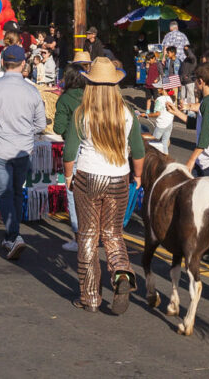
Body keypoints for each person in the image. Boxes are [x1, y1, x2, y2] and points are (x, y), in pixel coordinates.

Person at [62, 56, 145, 314]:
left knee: (88, 236)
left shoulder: (82, 112)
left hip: (88, 176)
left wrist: (68, 176)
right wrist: (138, 176)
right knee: (112, 233)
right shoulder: (127, 113)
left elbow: (69, 151)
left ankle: (90, 297)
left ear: (90, 84)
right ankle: (122, 275)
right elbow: (138, 150)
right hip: (119, 177)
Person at [0, 44, 47, 261]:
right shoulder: (32, 91)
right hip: (23, 150)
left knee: (4, 194)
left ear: (3, 63)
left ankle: (14, 235)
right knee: (16, 192)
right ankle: (12, 235)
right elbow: (41, 124)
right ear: (23, 64)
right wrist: (24, 132)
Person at [53, 55, 90, 252]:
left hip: (74, 148)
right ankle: (92, 234)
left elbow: (58, 128)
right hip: (94, 147)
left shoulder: (65, 99)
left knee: (73, 193)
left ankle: (78, 238)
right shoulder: (92, 96)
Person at [142, 81, 175, 154]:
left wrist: (147, 115)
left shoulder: (159, 100)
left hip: (162, 123)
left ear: (162, 89)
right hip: (169, 123)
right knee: (164, 143)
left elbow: (157, 113)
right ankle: (166, 157)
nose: (156, 89)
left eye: (158, 88)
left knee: (154, 138)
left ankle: (139, 138)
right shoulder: (171, 99)